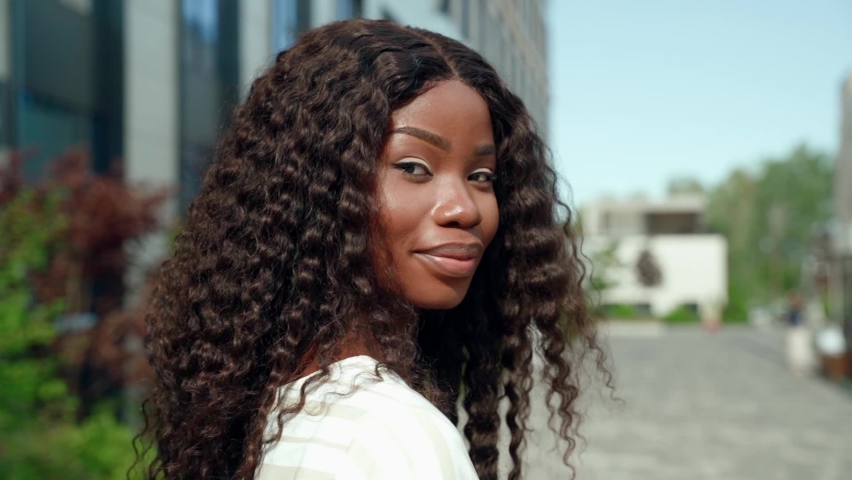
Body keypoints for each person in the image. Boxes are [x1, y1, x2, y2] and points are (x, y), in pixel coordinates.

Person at [137, 19, 609, 480]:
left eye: (480, 177)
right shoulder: (393, 437)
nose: (464, 208)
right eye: (414, 167)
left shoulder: (275, 414)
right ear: (317, 186)